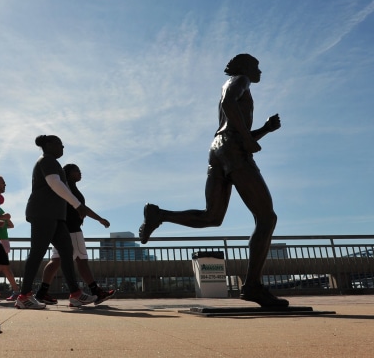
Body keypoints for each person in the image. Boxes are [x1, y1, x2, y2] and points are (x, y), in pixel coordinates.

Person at [138, 54, 288, 307]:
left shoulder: (237, 86)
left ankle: (159, 215)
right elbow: (231, 107)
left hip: (218, 148)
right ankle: (252, 286)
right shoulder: (239, 80)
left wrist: (263, 130)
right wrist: (249, 139)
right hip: (232, 149)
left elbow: (234, 128)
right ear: (245, 68)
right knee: (266, 217)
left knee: (212, 217)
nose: (260, 71)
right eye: (257, 66)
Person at [15, 135, 101, 309]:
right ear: (48, 145)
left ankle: (76, 294)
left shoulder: (52, 162)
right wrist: (78, 205)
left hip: (55, 216)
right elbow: (55, 183)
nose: (62, 147)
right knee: (37, 252)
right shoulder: (47, 160)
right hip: (43, 213)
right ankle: (24, 296)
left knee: (67, 251)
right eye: (59, 144)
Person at [36, 163, 115, 305]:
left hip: (62, 228)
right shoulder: (68, 187)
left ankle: (42, 293)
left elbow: (79, 208)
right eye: (76, 170)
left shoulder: (65, 186)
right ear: (68, 173)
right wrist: (100, 219)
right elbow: (82, 208)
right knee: (81, 260)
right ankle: (95, 292)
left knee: (56, 260)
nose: (80, 173)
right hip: (72, 230)